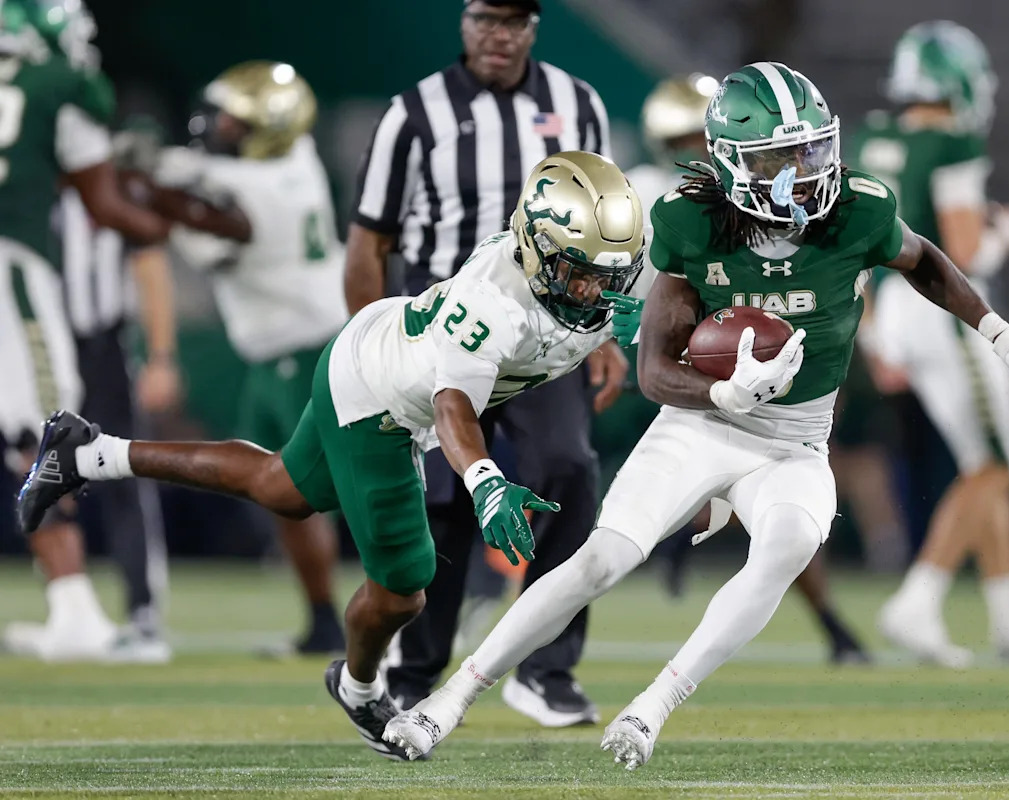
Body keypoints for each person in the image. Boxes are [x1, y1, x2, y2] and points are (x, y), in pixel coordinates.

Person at [380, 62, 1009, 769]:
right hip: (702, 427)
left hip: (795, 441)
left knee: (788, 544)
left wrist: (1003, 336)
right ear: (731, 162)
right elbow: (655, 371)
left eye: (812, 149)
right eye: (781, 158)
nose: (805, 172)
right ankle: (450, 699)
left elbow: (923, 258)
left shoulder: (858, 210)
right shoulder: (690, 223)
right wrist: (721, 395)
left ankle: (650, 709)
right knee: (602, 558)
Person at [17, 150, 646, 760]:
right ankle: (360, 688)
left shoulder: (597, 280)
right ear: (534, 248)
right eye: (578, 272)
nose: (593, 290)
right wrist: (485, 481)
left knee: (281, 487)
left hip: (377, 345)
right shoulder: (494, 302)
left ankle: (91, 453)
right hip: (381, 399)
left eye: (608, 275)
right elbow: (454, 406)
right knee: (405, 588)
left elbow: (660, 289)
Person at [344, 0, 627, 727]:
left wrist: (603, 336)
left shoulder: (577, 103)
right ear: (463, 20)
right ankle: (415, 672)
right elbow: (369, 241)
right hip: (445, 327)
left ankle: (546, 669)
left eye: (513, 21)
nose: (497, 35)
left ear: (534, 26)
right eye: (484, 19)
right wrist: (370, 348)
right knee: (442, 500)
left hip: (545, 325)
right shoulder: (415, 113)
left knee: (568, 468)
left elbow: (603, 232)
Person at [623, 73, 869, 663]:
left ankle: (823, 615)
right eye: (682, 142)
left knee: (784, 486)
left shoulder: (764, 192)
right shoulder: (664, 198)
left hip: (753, 349)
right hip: (676, 355)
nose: (694, 154)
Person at [854, 21, 1009, 666]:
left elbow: (858, 246)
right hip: (945, 309)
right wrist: (1006, 233)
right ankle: (918, 599)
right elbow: (966, 251)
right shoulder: (952, 141)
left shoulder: (872, 137)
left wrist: (873, 336)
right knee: (998, 466)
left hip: (890, 309)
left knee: (986, 459)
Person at [0, 0, 176, 661]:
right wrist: (177, 221)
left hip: (71, 308)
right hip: (15, 274)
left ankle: (79, 605)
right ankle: (73, 609)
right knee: (49, 432)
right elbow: (105, 202)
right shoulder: (63, 86)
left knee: (41, 439)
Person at [157, 61, 350, 655]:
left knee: (333, 492)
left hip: (306, 348)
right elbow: (215, 175)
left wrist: (155, 177)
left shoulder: (259, 195)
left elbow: (209, 232)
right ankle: (324, 621)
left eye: (234, 121)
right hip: (280, 348)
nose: (219, 127)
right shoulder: (296, 156)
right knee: (282, 495)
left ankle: (405, 620)